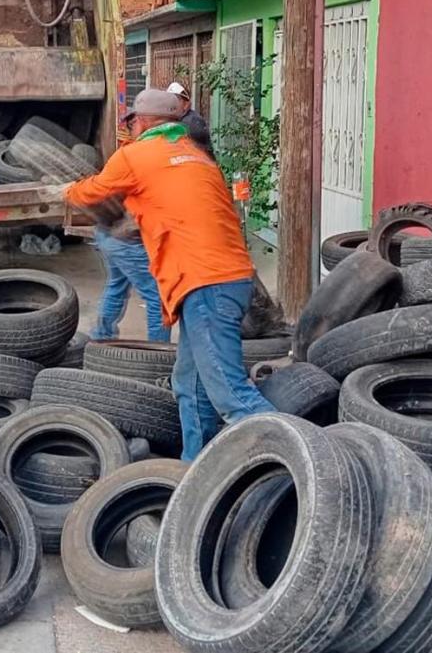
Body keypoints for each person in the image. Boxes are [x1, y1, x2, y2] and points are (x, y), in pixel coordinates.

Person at [65, 89, 275, 460]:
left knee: (231, 395)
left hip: (205, 282)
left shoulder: (135, 155)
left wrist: (67, 189)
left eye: (131, 121)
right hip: (231, 279)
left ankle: (309, 459)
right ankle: (193, 465)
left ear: (143, 122)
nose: (130, 127)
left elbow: (91, 194)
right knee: (189, 383)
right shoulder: (198, 156)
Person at [88, 199, 170, 343]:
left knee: (117, 285)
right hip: (129, 241)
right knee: (158, 297)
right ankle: (159, 349)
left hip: (107, 233)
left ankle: (102, 336)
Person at [167, 82, 213, 156]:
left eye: (176, 100)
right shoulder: (175, 120)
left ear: (186, 104)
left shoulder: (192, 122)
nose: (171, 104)